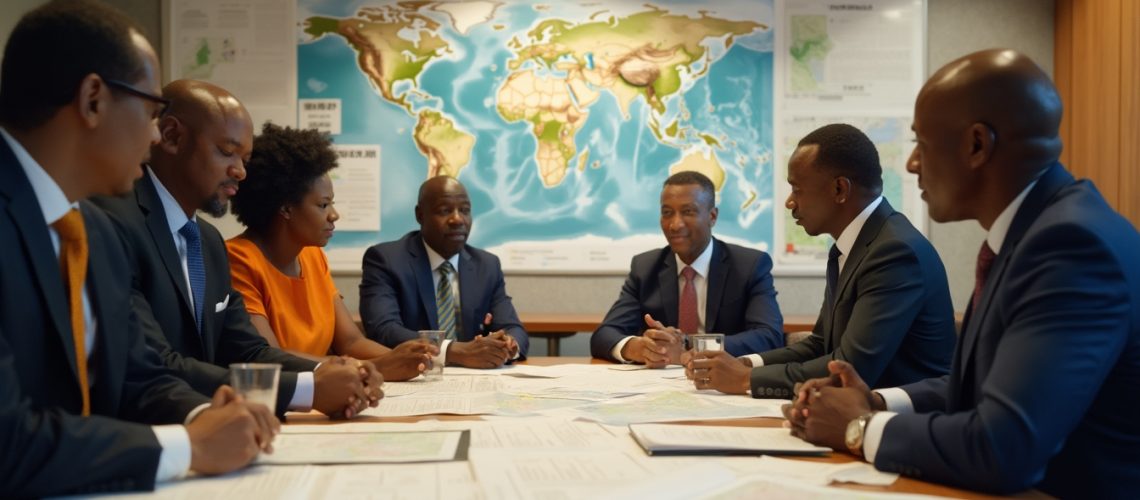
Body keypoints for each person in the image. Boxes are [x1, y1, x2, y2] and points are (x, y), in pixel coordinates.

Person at [786, 49, 1140, 498]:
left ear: (976, 145)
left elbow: (1002, 449)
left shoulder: (1070, 247)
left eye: (922, 144)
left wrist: (860, 428)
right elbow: (980, 386)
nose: (912, 163)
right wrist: (877, 400)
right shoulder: (1038, 230)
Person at [0, 1, 276, 495]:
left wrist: (209, 415)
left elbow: (139, 377)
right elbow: (7, 441)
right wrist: (187, 447)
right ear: (93, 99)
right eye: (151, 111)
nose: (155, 136)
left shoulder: (95, 231)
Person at [92, 79, 381, 419]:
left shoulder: (208, 242)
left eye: (245, 159)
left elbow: (248, 349)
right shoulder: (112, 221)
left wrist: (330, 374)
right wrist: (307, 390)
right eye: (227, 152)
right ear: (170, 136)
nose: (240, 172)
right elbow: (156, 362)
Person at [688, 124, 955, 397]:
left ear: (839, 189)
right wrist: (748, 362)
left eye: (797, 189)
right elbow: (820, 344)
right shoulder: (855, 245)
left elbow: (850, 367)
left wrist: (747, 378)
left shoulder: (894, 252)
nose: (790, 202)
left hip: (904, 424)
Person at [226, 123, 434, 381]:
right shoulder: (238, 259)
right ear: (286, 209)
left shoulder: (311, 256)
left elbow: (351, 341)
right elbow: (269, 357)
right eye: (323, 205)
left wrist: (407, 360)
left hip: (328, 388)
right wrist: (374, 368)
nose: (335, 215)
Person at [591, 171, 784, 366]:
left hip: (723, 381)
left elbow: (769, 336)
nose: (675, 224)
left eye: (688, 212)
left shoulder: (749, 266)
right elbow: (604, 335)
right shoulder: (645, 267)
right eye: (667, 213)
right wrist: (639, 347)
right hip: (659, 385)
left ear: (712, 216)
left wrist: (687, 344)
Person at [360, 175, 528, 368]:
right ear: (420, 215)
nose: (457, 219)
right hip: (415, 375)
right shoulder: (386, 260)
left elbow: (513, 327)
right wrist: (453, 351)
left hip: (474, 378)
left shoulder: (486, 265)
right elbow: (383, 330)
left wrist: (508, 345)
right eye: (444, 210)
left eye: (465, 210)